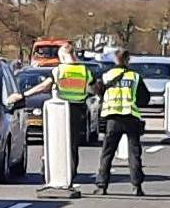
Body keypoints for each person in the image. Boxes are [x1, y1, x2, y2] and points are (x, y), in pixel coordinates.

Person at [11, 45, 92, 177]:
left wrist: (24, 95)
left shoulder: (59, 70)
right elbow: (93, 88)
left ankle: (52, 171)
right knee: (72, 144)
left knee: (55, 140)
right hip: (78, 110)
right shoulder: (85, 71)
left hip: (61, 109)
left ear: (63, 56)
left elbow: (44, 86)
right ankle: (71, 173)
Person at [94, 48, 148, 195]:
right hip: (131, 117)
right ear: (128, 60)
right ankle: (137, 186)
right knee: (134, 153)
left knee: (107, 153)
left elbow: (98, 92)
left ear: (115, 60)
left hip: (113, 118)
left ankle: (102, 185)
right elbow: (145, 99)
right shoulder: (135, 77)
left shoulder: (107, 76)